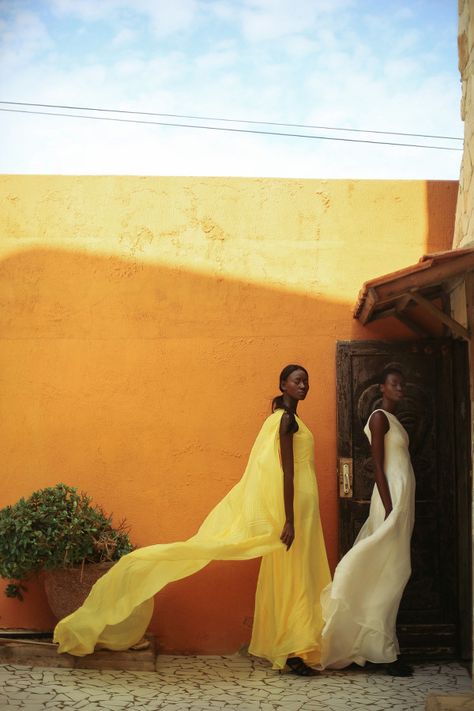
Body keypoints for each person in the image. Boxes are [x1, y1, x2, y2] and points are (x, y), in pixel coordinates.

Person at [54, 364, 331, 675]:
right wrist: (289, 520)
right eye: (297, 380)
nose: (304, 385)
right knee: (294, 577)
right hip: (295, 510)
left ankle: (295, 645)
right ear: (283, 385)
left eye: (307, 381)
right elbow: (285, 472)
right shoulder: (285, 420)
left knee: (298, 573)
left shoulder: (291, 420)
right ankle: (294, 649)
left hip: (304, 509)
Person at [320, 366, 415, 676]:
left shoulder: (395, 420)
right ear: (381, 389)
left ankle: (380, 646)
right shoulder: (378, 418)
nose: (400, 388)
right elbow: (377, 465)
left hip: (401, 501)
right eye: (394, 384)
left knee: (393, 570)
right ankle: (384, 652)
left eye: (402, 384)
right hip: (391, 500)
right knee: (391, 569)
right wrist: (390, 508)